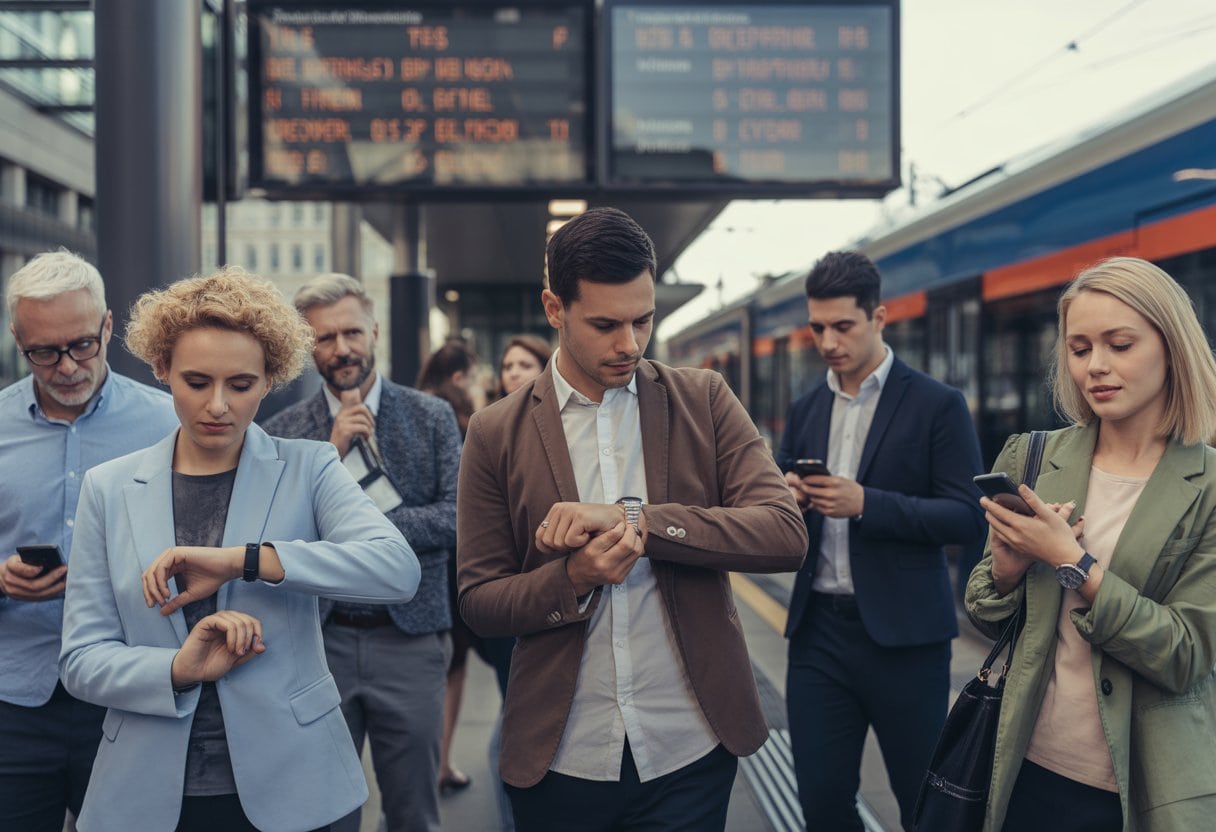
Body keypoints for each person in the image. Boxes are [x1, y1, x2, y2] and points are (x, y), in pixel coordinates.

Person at [457, 207, 808, 831]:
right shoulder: (494, 433)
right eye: (605, 324)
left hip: (690, 747)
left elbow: (784, 532)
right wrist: (574, 579)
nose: (630, 343)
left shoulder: (704, 399)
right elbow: (479, 600)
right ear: (553, 308)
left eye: (644, 320)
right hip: (561, 754)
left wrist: (639, 522)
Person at [57, 267, 419, 832]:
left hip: (299, 784)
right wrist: (176, 668)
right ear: (162, 371)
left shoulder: (311, 466)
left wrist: (243, 560)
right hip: (149, 792)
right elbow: (81, 661)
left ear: (271, 379)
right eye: (197, 382)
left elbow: (397, 570)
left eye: (241, 385)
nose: (218, 405)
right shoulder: (108, 487)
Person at [966, 257, 1216, 831]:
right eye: (1080, 350)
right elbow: (984, 611)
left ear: (1172, 347)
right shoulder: (1031, 457)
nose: (1096, 367)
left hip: (1150, 786)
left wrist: (1073, 563)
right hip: (1026, 766)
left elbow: (1185, 655)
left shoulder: (1207, 485)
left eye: (1120, 344)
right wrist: (1005, 571)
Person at [777, 250, 986, 831]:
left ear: (879, 318)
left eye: (843, 326)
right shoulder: (806, 408)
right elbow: (779, 516)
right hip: (817, 632)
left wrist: (868, 503)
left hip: (906, 642)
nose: (828, 341)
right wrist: (787, 499)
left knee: (922, 801)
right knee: (821, 801)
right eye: (818, 328)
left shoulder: (936, 404)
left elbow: (967, 518)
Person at [263, 273, 461, 832]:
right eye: (324, 338)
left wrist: (366, 531)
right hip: (317, 641)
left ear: (374, 331)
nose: (341, 348)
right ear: (308, 345)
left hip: (412, 640)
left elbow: (457, 517)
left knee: (414, 813)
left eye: (351, 332)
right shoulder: (285, 431)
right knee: (323, 812)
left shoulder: (430, 416)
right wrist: (330, 452)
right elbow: (276, 534)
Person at [0, 250, 180, 832]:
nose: (68, 366)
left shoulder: (168, 426)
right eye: (44, 352)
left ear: (107, 326)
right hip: (15, 700)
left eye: (82, 344)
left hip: (127, 693)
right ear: (17, 340)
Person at [416, 339, 480, 796]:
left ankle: (430, 764)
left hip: (417, 564)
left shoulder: (411, 410)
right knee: (452, 666)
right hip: (453, 560)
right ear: (459, 378)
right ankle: (439, 762)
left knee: (430, 665)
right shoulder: (458, 421)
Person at [497, 334, 551, 401]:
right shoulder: (491, 410)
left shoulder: (557, 410)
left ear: (545, 369)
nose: (514, 374)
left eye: (525, 366)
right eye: (508, 367)